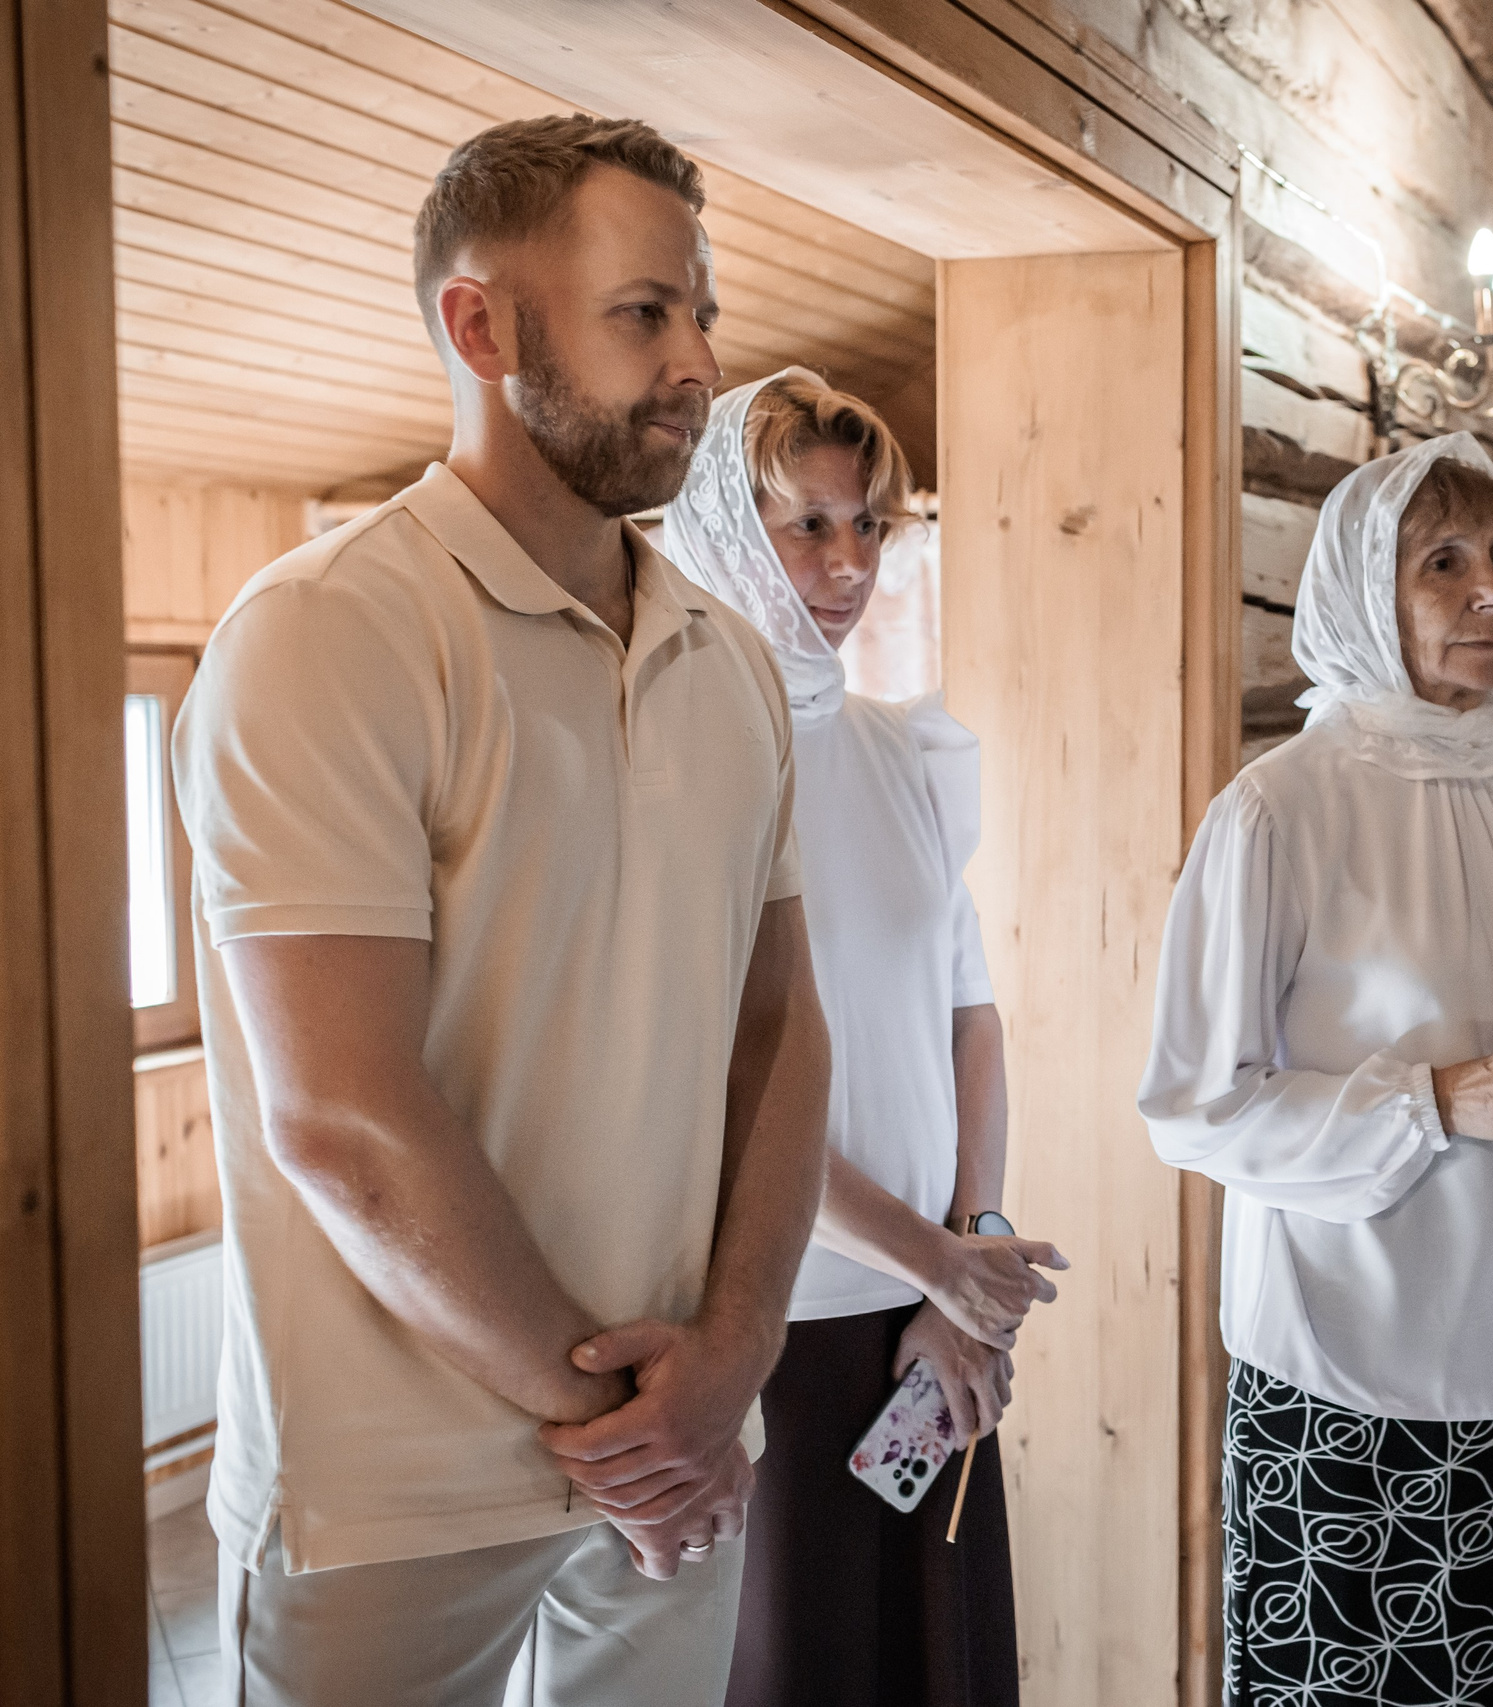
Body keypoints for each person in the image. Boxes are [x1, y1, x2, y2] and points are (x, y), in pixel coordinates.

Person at [171, 116, 831, 1704]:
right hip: (391, 1488)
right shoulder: (326, 632)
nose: (698, 360)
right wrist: (641, 1430)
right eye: (642, 313)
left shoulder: (730, 659)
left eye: (701, 311)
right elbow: (339, 1108)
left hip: (678, 1443)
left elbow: (779, 1030)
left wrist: (733, 1359)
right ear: (480, 326)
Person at [1138, 434, 1493, 1707]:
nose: (1492, 592)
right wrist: (1430, 1101)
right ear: (1368, 592)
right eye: (1444, 563)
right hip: (1343, 1371)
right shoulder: (1278, 809)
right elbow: (1193, 1105)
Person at [662, 369, 1064, 1707]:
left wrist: (975, 1247)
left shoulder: (898, 749)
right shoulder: (681, 766)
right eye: (808, 527)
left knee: (943, 1661)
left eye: (870, 527)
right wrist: (939, 1262)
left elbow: (972, 1017)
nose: (849, 566)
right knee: (805, 1664)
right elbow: (721, 1097)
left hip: (933, 1312)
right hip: (776, 1319)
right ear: (724, 526)